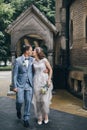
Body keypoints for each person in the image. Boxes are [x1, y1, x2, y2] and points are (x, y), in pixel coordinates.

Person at [12, 45, 33, 128]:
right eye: (31, 50)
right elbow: (15, 74)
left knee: (28, 101)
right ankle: (18, 110)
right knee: (20, 101)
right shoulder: (18, 60)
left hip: (29, 85)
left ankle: (26, 118)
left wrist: (46, 70)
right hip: (20, 85)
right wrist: (14, 86)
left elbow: (40, 63)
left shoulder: (32, 60)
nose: (32, 51)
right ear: (26, 51)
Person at [32, 47, 53, 125]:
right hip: (36, 81)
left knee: (44, 100)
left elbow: (50, 69)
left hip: (44, 81)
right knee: (38, 101)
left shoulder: (44, 60)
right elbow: (31, 71)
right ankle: (39, 116)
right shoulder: (33, 61)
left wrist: (49, 79)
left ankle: (46, 115)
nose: (33, 51)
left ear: (38, 52)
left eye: (34, 50)